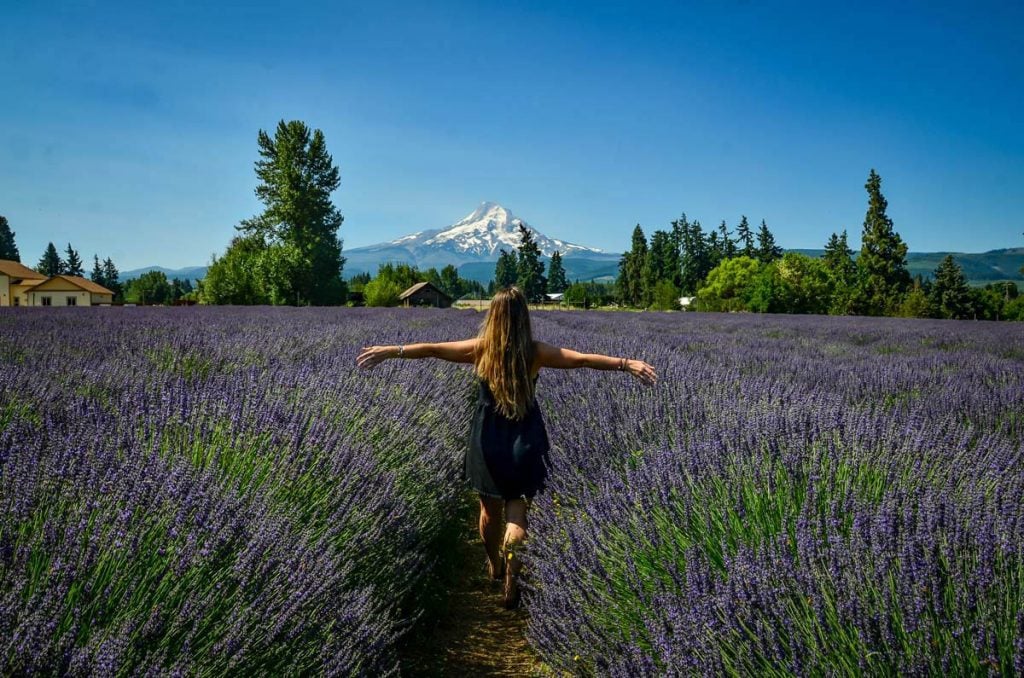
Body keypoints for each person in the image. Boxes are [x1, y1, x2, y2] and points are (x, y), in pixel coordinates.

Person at [356, 286, 656, 608]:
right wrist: (626, 363)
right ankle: (513, 579)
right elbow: (581, 359)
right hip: (525, 441)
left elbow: (433, 349)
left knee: (488, 512)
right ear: (524, 318)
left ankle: (495, 564)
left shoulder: (480, 349)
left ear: (494, 317)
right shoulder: (535, 352)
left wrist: (392, 350)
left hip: (489, 441)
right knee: (517, 517)